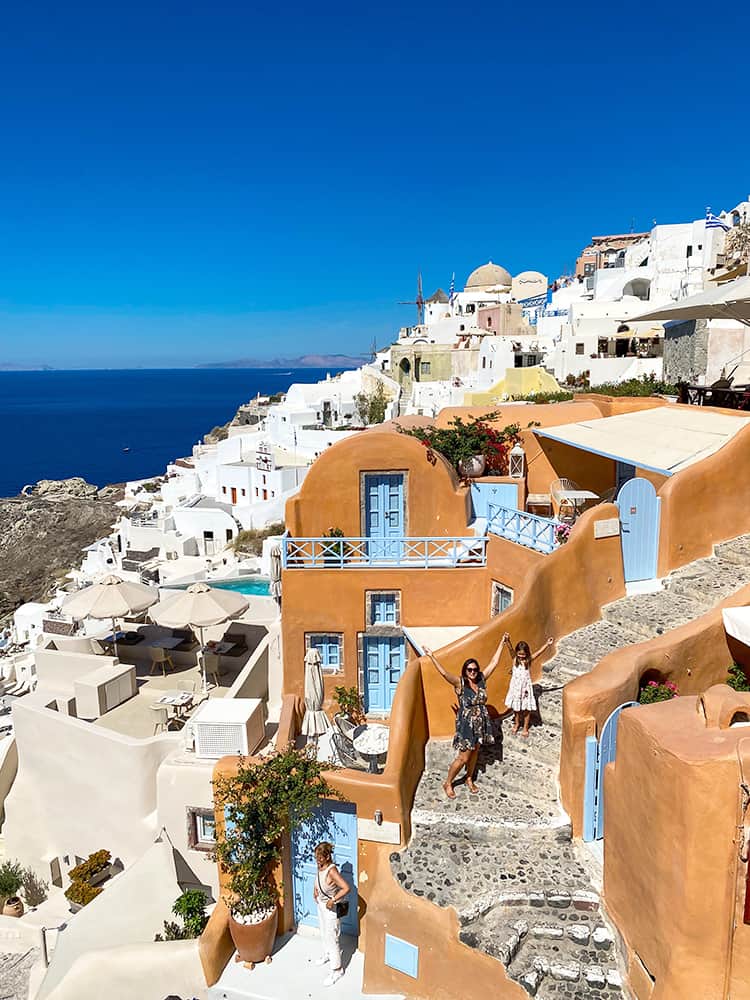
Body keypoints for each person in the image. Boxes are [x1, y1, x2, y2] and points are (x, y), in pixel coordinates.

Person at [424, 637, 506, 799]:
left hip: (481, 722)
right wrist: (432, 656)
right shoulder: (460, 683)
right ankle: (448, 782)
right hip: (467, 725)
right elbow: (444, 674)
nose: (473, 672)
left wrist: (501, 643)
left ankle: (469, 778)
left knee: (475, 752)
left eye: (475, 669)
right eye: (469, 670)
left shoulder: (482, 680)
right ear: (465, 671)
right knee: (463, 757)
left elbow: (494, 663)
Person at [312, 841, 351, 987]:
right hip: (321, 906)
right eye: (316, 856)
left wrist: (333, 900)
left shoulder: (332, 871)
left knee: (332, 938)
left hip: (331, 909)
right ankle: (328, 955)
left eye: (320, 857)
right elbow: (318, 879)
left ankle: (337, 970)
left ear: (327, 856)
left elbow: (346, 888)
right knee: (324, 933)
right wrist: (315, 889)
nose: (317, 860)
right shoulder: (320, 865)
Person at [504, 636, 553, 738]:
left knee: (526, 708)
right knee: (516, 709)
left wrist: (547, 644)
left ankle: (526, 727)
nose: (521, 656)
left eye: (523, 654)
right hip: (516, 688)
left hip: (525, 688)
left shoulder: (527, 661)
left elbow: (539, 653)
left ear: (526, 653)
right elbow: (510, 649)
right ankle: (517, 723)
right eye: (519, 654)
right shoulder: (514, 660)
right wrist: (508, 641)